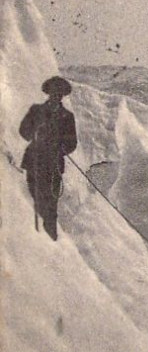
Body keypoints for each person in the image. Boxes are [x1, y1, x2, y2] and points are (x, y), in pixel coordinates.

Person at [19, 76, 78, 240]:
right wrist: (34, 132)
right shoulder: (36, 111)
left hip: (54, 167)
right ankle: (36, 242)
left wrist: (60, 147)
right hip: (34, 162)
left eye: (59, 93)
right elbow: (24, 131)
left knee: (51, 206)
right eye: (54, 92)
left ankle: (51, 241)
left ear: (63, 96)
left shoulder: (67, 117)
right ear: (48, 93)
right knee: (35, 200)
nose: (56, 95)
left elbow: (72, 143)